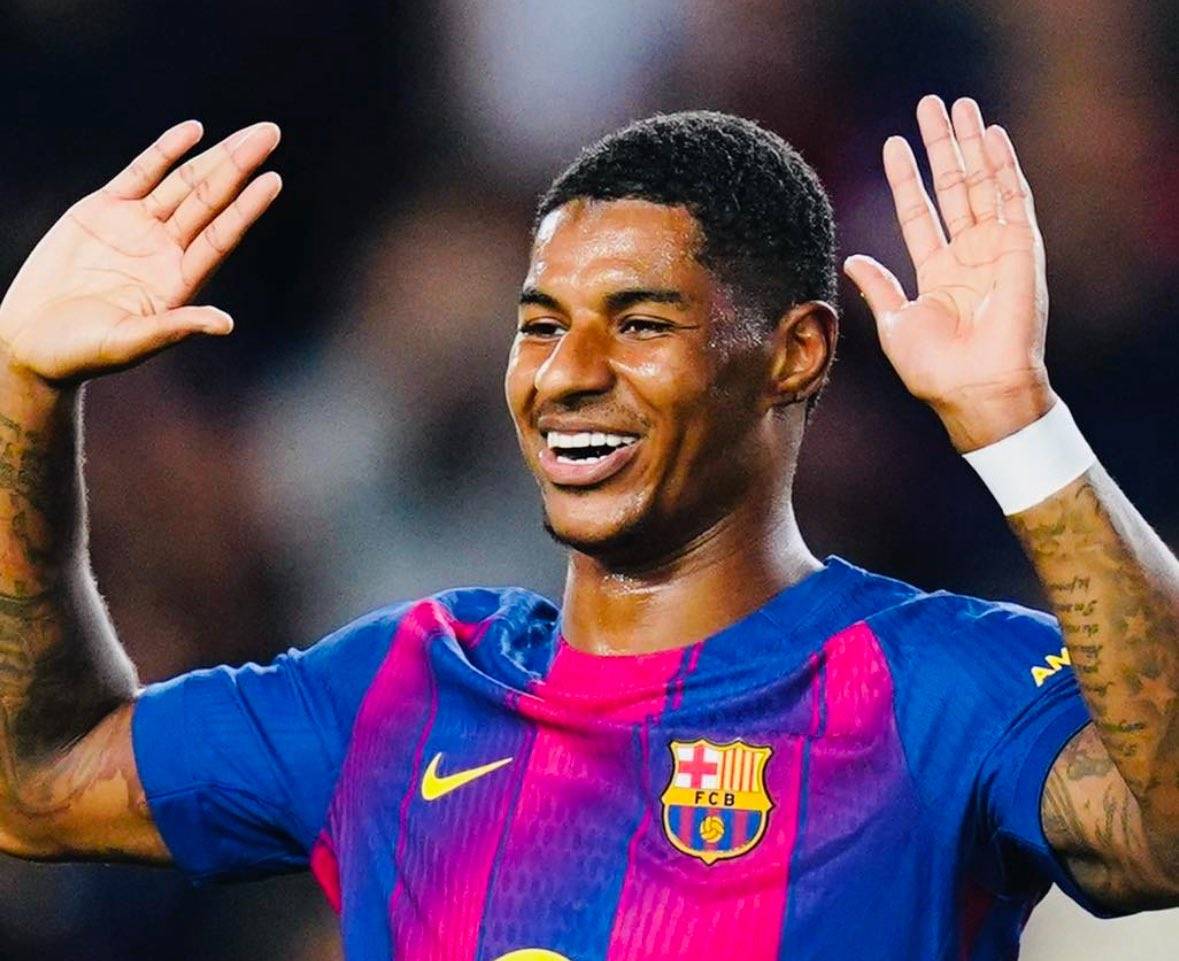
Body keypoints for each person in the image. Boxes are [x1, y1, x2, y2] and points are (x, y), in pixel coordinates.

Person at [0, 94, 1175, 961]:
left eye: (640, 323)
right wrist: (25, 389)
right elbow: (36, 781)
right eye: (541, 325)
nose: (568, 374)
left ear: (794, 353)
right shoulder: (399, 688)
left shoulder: (930, 686)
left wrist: (1016, 423)